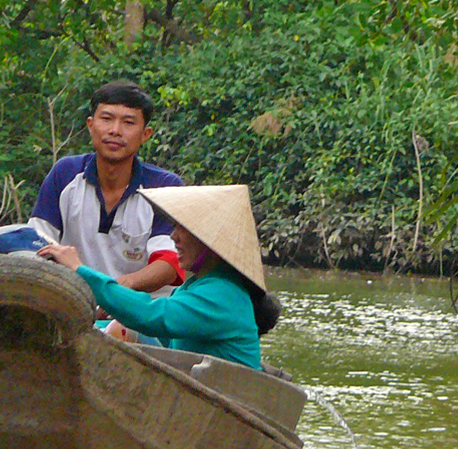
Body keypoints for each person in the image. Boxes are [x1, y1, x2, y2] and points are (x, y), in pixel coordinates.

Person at [37, 184, 279, 370]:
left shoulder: (223, 294)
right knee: (117, 328)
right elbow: (160, 332)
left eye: (183, 228)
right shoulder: (197, 286)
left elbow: (150, 316)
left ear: (209, 243)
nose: (174, 237)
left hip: (221, 403)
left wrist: (80, 269)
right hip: (196, 389)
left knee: (121, 329)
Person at [29, 79, 185, 296]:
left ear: (145, 134)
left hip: (141, 313)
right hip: (73, 303)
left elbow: (169, 264)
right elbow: (37, 244)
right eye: (106, 119)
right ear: (91, 125)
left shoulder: (165, 187)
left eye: (128, 122)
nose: (115, 130)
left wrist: (112, 293)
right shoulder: (65, 174)